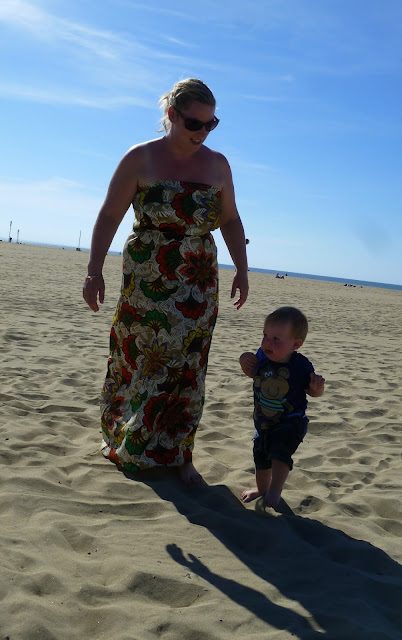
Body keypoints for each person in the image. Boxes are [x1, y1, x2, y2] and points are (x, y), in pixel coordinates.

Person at [83, 78, 249, 485]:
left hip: (197, 280)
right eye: (194, 123)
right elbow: (109, 215)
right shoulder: (139, 158)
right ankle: (129, 440)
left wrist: (243, 270)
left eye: (211, 124)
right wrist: (94, 270)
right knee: (140, 357)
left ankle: (180, 455)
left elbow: (230, 219)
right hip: (145, 278)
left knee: (188, 366)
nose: (202, 132)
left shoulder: (218, 165)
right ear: (172, 115)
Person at [239, 306, 324, 508]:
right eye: (265, 335)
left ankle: (275, 490)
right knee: (261, 458)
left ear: (296, 344)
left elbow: (312, 392)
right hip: (263, 422)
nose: (267, 342)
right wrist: (244, 361)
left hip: (290, 422)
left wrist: (316, 388)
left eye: (276, 339)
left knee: (279, 454)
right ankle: (262, 489)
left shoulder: (300, 366)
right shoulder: (262, 357)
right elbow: (253, 374)